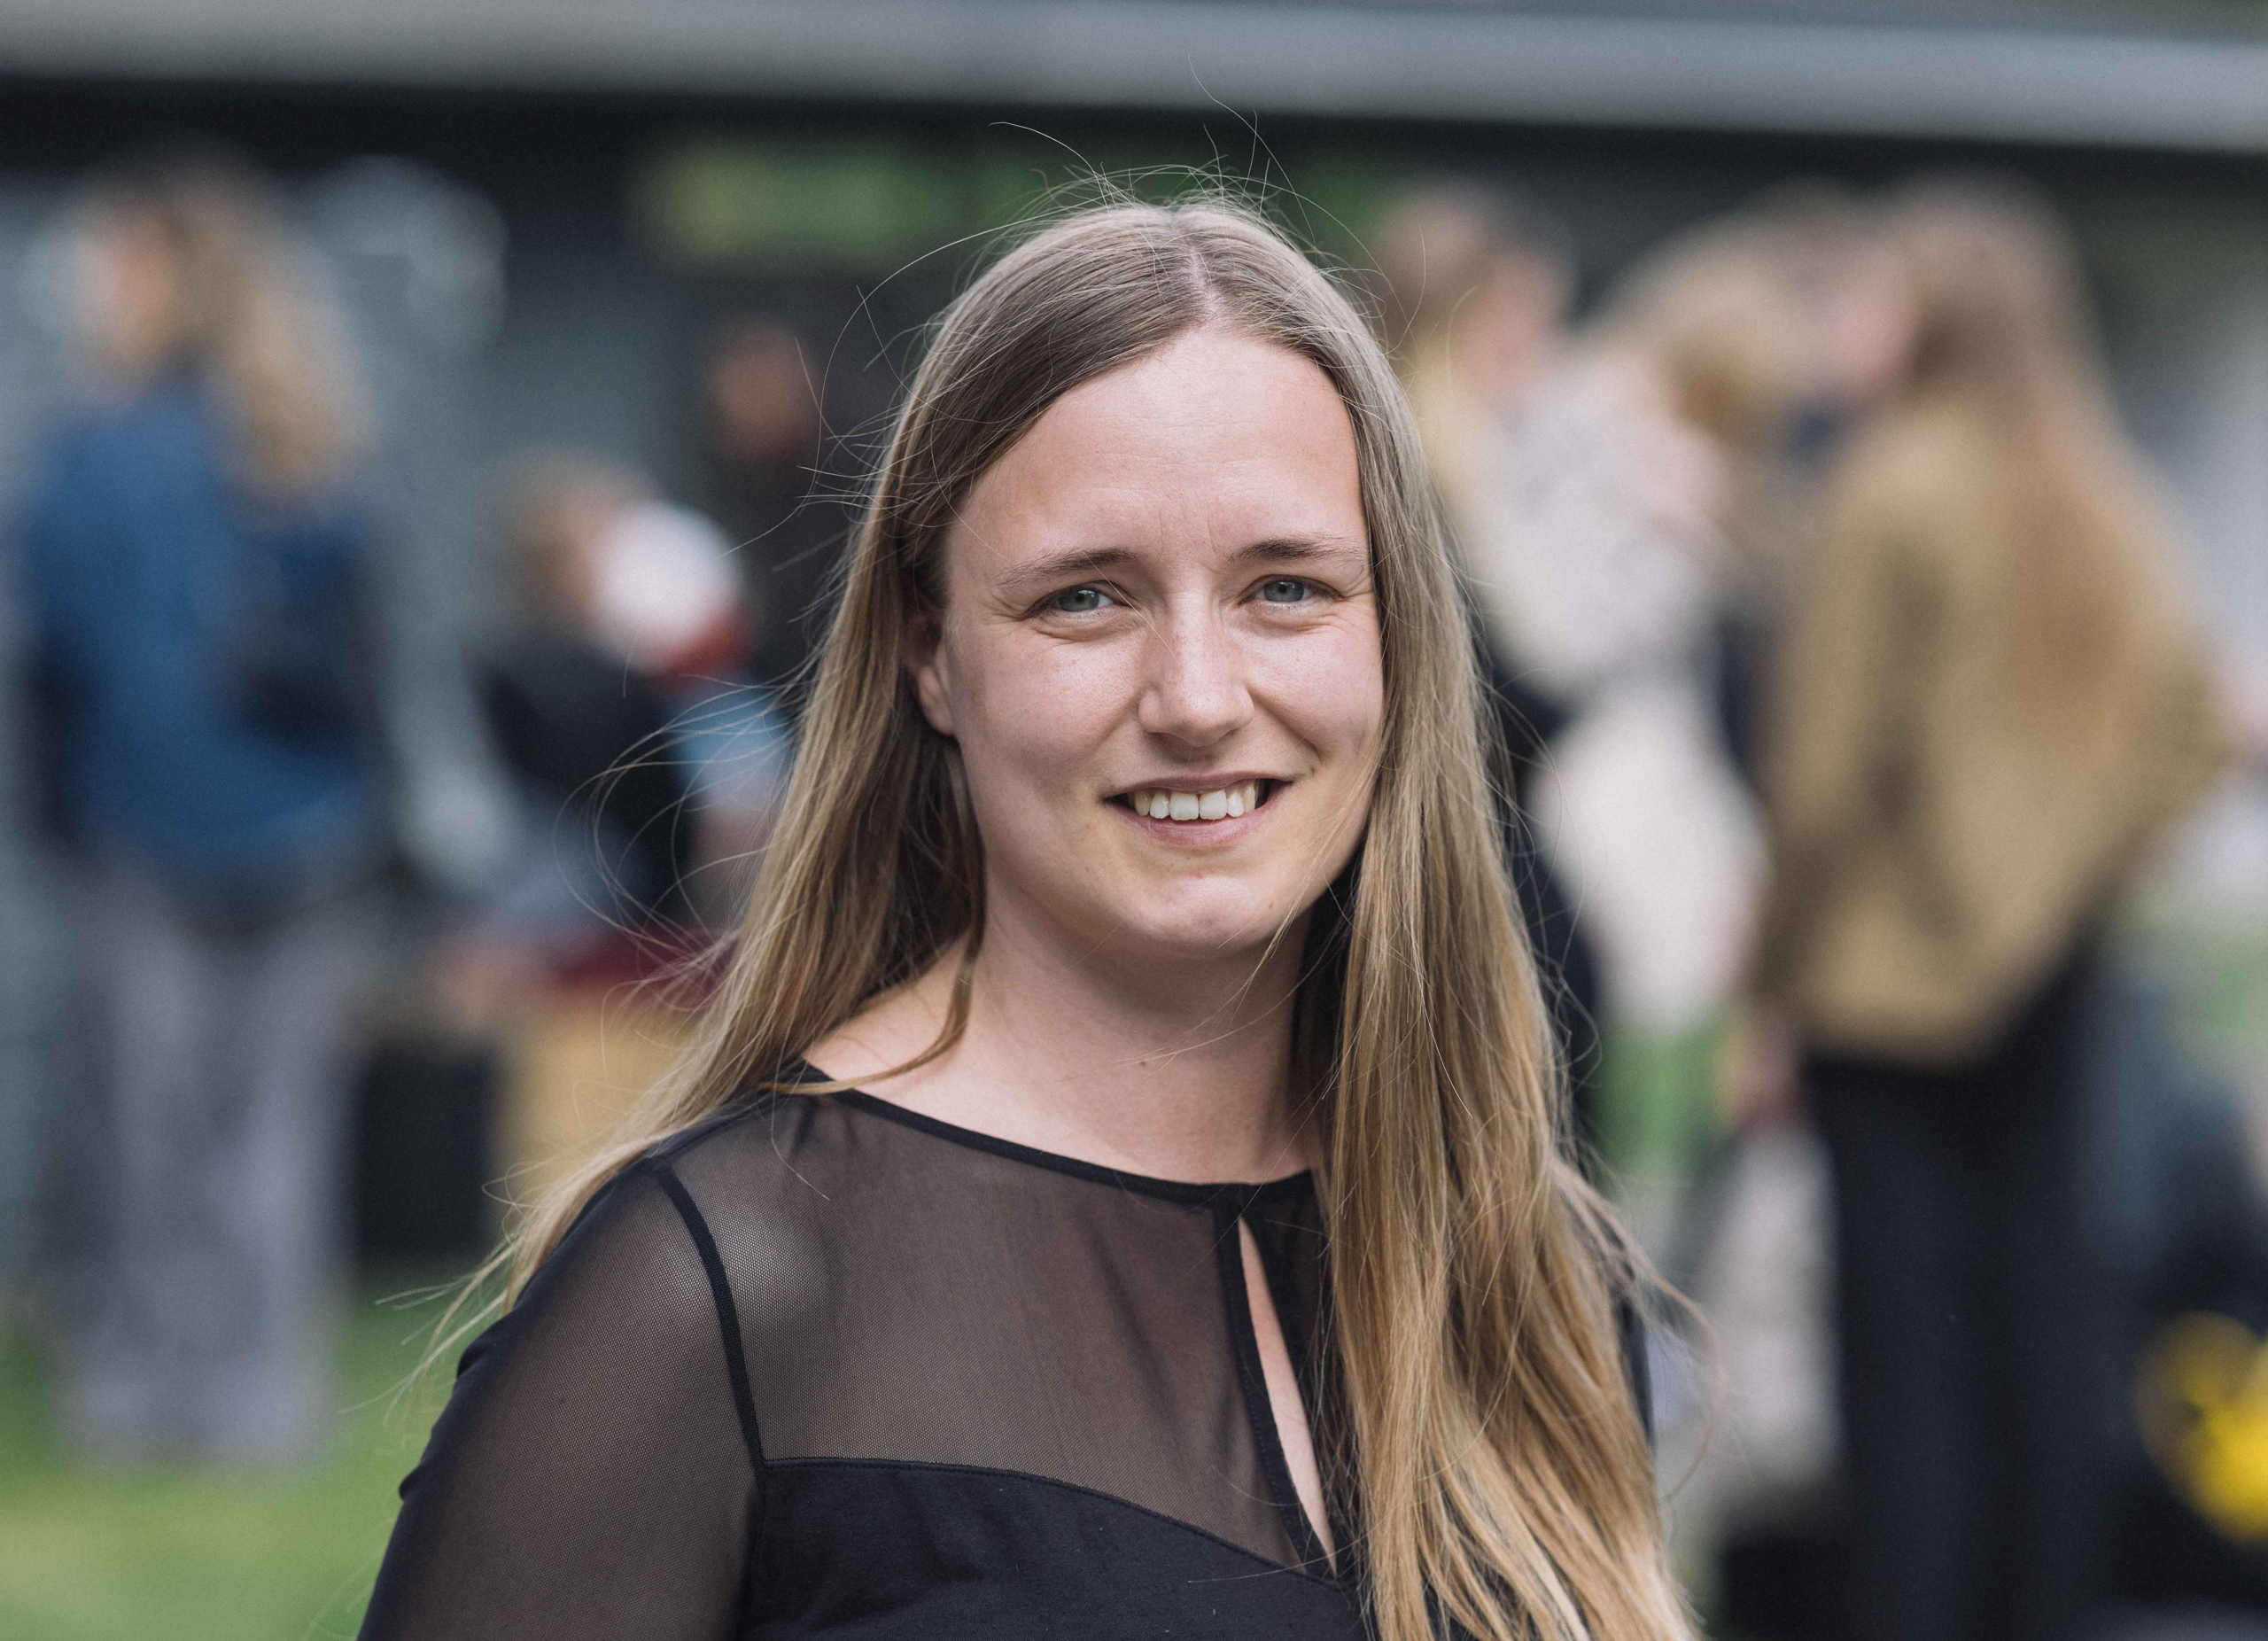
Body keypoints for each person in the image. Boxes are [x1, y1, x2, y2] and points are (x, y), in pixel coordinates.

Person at [359, 199, 1691, 1641]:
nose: (1197, 697)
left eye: (1286, 587)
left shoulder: (1524, 1274)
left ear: (1399, 638)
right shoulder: (724, 1283)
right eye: (1086, 598)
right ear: (931, 652)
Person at [1744, 177, 2232, 1641]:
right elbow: (2196, 728)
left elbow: (1819, 775)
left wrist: (1768, 979)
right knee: (2046, 1320)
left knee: (1904, 1349)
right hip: (2058, 968)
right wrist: (2089, 865)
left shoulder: (1888, 488)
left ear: (1937, 314)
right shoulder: (2106, 491)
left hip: (1882, 979)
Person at [13, 152, 386, 1459]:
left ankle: (150, 1398)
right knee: (275, 1128)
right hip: (310, 825)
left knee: (150, 1128)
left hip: (146, 825)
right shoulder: (312, 444)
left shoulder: (96, 453)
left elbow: (61, 649)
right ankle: (260, 1403)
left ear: (163, 277)